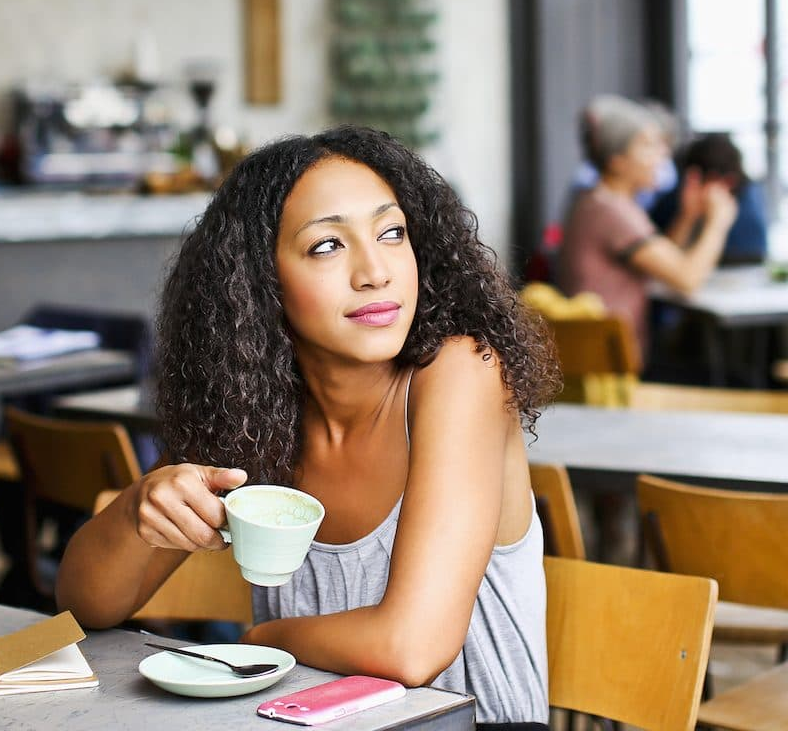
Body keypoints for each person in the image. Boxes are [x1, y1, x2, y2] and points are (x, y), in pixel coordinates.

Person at [56, 126, 560, 729]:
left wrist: (261, 638)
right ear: (258, 283)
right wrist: (142, 508)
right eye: (327, 246)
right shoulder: (256, 413)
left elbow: (412, 648)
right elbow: (83, 607)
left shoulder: (460, 371)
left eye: (392, 232)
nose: (375, 272)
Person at [557, 95, 738, 359]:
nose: (662, 155)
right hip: (614, 374)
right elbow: (687, 279)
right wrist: (718, 223)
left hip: (600, 366)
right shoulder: (613, 212)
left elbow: (662, 263)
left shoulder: (597, 201)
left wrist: (688, 216)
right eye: (647, 146)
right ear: (616, 160)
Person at [649, 132, 768, 265]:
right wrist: (688, 216)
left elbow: (752, 255)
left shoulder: (745, 196)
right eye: (713, 180)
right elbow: (665, 264)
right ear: (691, 178)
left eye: (730, 182)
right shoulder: (671, 201)